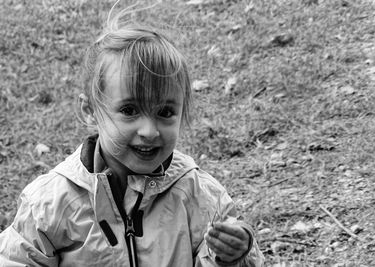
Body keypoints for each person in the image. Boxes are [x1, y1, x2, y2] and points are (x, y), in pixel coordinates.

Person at [0, 3, 265, 267]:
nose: (149, 131)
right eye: (129, 110)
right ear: (90, 110)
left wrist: (234, 256)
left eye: (165, 111)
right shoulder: (50, 202)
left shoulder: (199, 195)